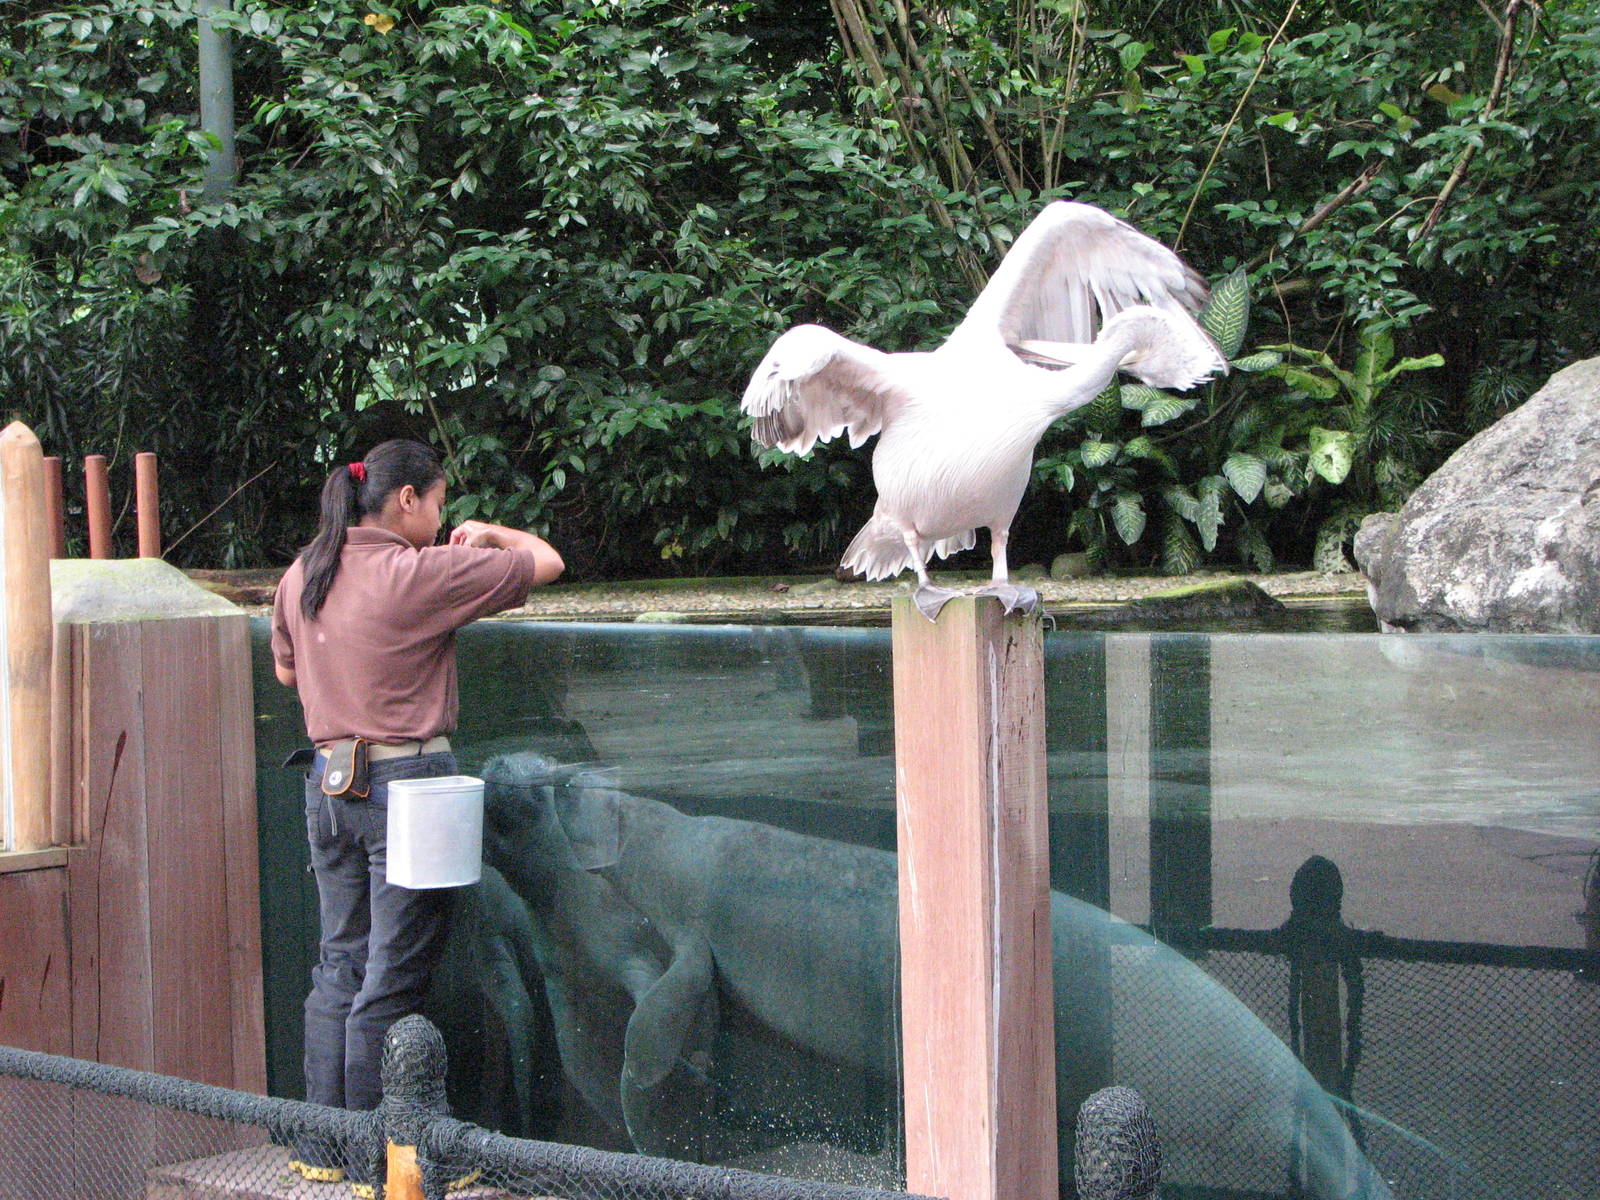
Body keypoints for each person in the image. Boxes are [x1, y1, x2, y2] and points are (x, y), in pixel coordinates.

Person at [271, 439, 562, 1187]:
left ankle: (322, 1149)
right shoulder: (414, 571)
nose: (441, 519)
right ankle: (384, 1162)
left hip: (326, 785)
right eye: (437, 503)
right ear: (406, 500)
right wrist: (492, 535)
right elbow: (548, 561)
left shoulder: (304, 571)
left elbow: (284, 668)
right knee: (392, 978)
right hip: (408, 787)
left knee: (339, 964)